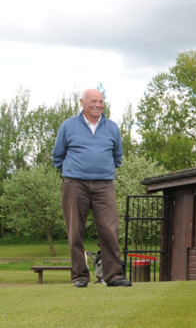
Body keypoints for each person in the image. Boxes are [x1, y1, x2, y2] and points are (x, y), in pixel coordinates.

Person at [52, 89, 131, 287]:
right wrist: (72, 172)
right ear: (82, 103)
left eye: (101, 101)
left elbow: (117, 156)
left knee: (109, 230)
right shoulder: (68, 126)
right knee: (75, 231)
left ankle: (113, 276)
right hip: (74, 184)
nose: (98, 105)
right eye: (93, 101)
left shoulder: (112, 127)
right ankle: (80, 276)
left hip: (104, 185)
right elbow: (57, 156)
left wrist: (103, 171)